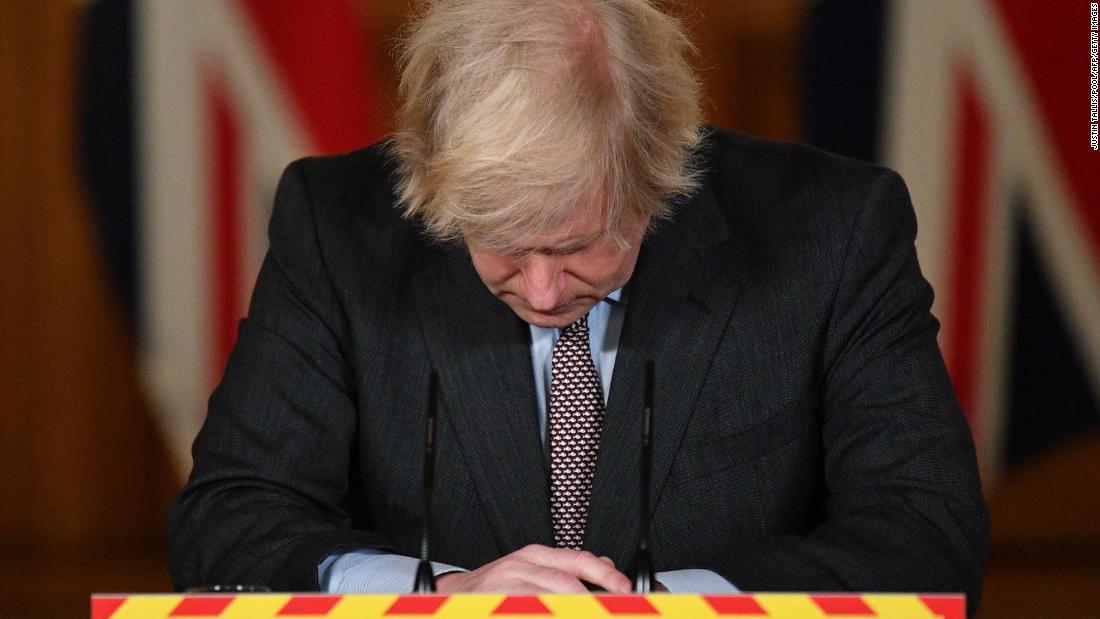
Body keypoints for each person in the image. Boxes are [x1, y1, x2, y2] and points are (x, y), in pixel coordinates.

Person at [167, 0, 988, 611]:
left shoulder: (834, 233)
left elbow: (927, 531)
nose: (541, 291)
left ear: (657, 171)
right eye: (499, 246)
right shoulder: (336, 227)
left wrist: (676, 603)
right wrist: (445, 594)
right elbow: (228, 519)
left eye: (572, 246)